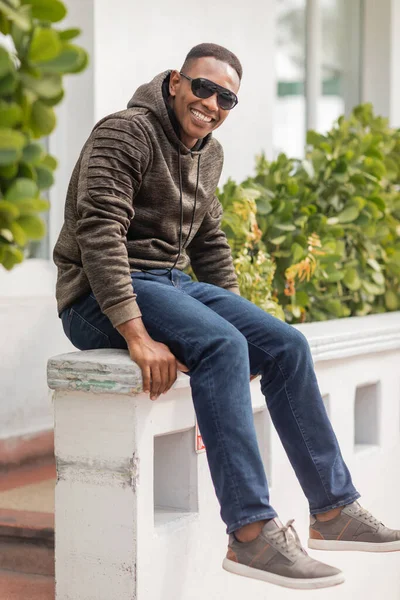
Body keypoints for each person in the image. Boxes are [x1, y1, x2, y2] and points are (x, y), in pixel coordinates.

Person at [53, 43, 400, 590]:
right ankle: (250, 535)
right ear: (175, 82)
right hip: (95, 295)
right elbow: (99, 234)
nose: (211, 103)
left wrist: (238, 316)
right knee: (222, 347)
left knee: (286, 346)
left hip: (170, 283)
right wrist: (137, 336)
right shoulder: (125, 132)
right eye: (203, 88)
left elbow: (210, 243)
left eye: (226, 98)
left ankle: (333, 512)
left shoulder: (207, 153)